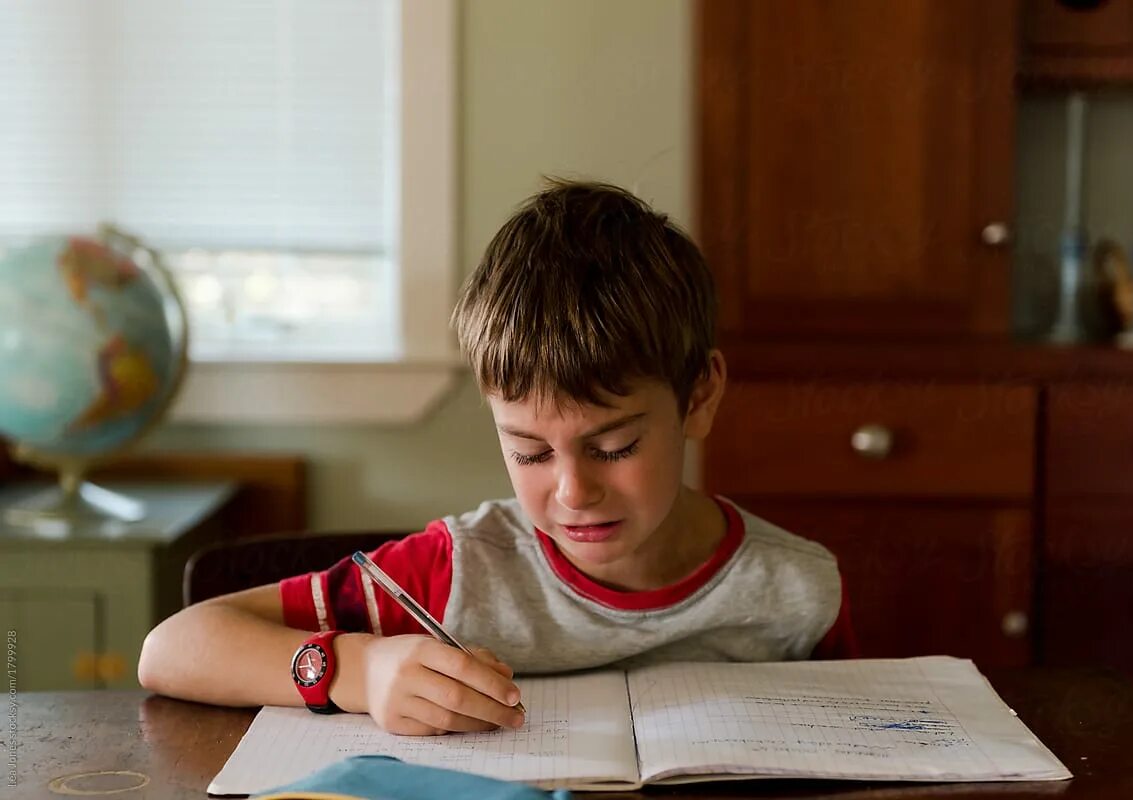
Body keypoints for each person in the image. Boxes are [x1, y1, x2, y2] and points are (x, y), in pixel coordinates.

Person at [138, 179, 857, 737]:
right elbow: (171, 648)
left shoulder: (802, 592)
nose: (573, 491)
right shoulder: (459, 571)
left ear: (699, 397)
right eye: (530, 451)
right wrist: (358, 670)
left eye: (614, 446)